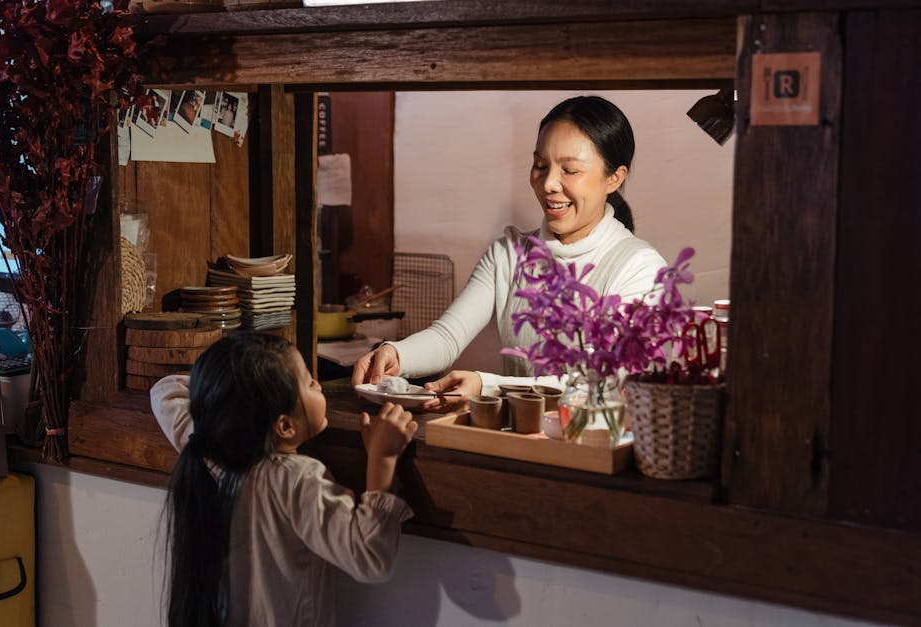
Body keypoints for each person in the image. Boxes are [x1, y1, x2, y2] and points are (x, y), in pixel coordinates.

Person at [352, 95, 667, 409]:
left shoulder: (640, 268)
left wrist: (490, 386)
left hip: (594, 449)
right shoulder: (510, 253)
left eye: (570, 170)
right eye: (540, 165)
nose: (548, 184)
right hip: (519, 440)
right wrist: (395, 353)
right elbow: (448, 337)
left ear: (615, 177)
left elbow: (606, 382)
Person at [151, 332, 417, 627]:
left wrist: (233, 394)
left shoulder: (208, 449)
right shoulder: (295, 480)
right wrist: (383, 457)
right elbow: (370, 557)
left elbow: (165, 389)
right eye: (309, 382)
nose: (318, 384)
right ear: (285, 426)